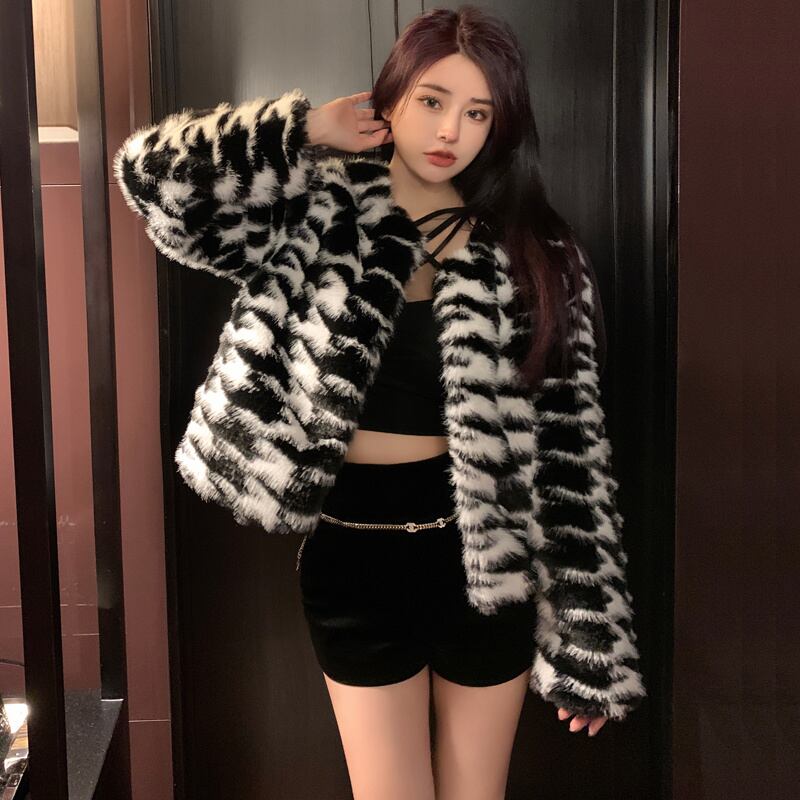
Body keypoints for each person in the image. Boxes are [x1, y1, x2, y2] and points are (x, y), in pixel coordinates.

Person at [113, 5, 647, 799]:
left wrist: (589, 638)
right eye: (432, 100)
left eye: (478, 113)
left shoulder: (534, 251)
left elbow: (572, 451)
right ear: (389, 98)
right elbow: (151, 180)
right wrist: (302, 129)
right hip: (354, 560)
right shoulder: (311, 217)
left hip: (485, 566)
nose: (450, 131)